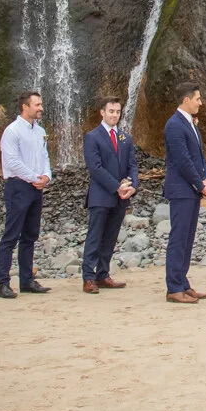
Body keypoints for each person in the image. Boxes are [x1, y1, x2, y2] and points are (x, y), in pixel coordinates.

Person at [0, 92, 52, 300]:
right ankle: (2, 283)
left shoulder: (40, 131)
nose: (41, 108)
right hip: (18, 187)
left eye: (41, 104)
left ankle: (27, 280)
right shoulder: (12, 131)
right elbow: (12, 162)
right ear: (24, 107)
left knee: (30, 235)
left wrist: (47, 176)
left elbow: (45, 156)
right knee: (11, 235)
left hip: (36, 188)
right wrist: (34, 177)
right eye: (37, 104)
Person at [162, 84, 206, 304]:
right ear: (185, 100)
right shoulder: (174, 125)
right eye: (197, 99)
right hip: (181, 190)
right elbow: (182, 160)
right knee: (179, 238)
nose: (200, 102)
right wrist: (200, 184)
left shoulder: (190, 123)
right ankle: (173, 288)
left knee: (188, 238)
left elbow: (199, 156)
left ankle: (183, 283)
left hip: (191, 190)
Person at [81, 96, 137, 293]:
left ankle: (103, 274)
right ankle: (88, 277)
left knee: (111, 237)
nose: (115, 115)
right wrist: (116, 186)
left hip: (121, 197)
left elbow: (132, 165)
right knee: (95, 236)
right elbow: (95, 168)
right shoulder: (92, 136)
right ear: (102, 113)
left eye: (118, 112)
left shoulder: (125, 137)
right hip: (101, 195)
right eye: (111, 111)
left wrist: (132, 185)